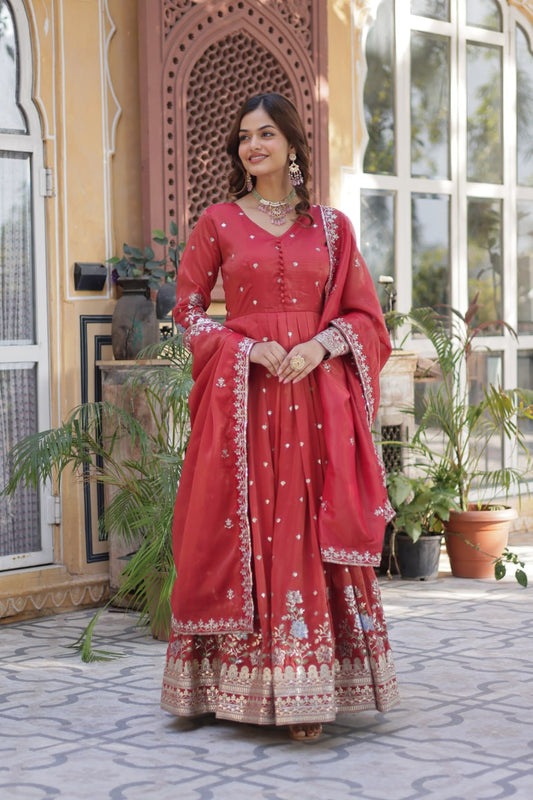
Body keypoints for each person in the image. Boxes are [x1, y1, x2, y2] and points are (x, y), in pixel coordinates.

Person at [161, 92, 400, 741]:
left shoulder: (330, 228)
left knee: (302, 525)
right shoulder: (216, 222)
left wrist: (322, 344)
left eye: (265, 134)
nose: (252, 146)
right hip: (245, 402)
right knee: (243, 528)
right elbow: (184, 309)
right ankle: (221, 685)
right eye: (243, 137)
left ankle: (307, 688)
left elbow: (363, 316)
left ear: (293, 145)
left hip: (317, 401)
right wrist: (244, 346)